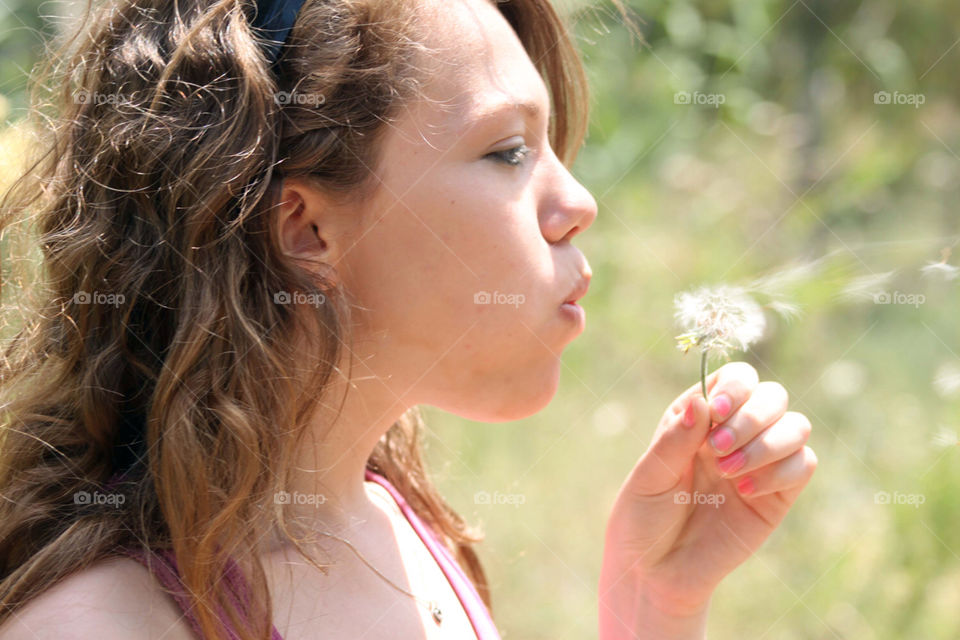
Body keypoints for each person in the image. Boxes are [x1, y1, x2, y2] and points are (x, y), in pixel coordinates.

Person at [0, 0, 818, 638]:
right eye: (508, 151)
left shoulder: (405, 532)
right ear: (305, 230)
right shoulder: (101, 627)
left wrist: (653, 602)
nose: (578, 203)